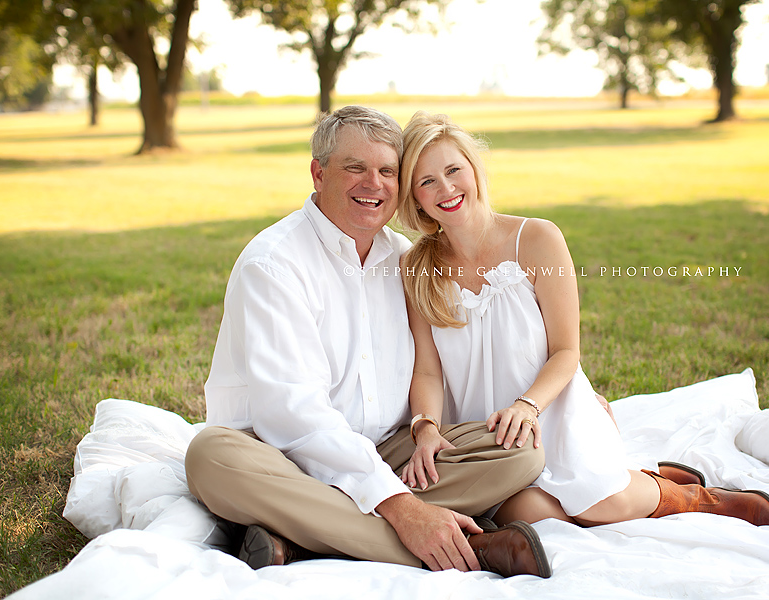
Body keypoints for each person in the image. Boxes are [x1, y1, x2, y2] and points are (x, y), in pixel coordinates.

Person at [184, 105, 552, 578]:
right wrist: (402, 506)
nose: (373, 184)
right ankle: (467, 551)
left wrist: (560, 388)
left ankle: (304, 538)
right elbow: (292, 414)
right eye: (354, 168)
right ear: (318, 173)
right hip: (283, 456)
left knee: (519, 449)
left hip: (388, 451)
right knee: (211, 458)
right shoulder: (274, 265)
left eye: (387, 171)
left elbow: (456, 358)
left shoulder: (404, 260)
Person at [396, 111, 769, 529]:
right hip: (486, 433)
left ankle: (691, 497)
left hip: (548, 405)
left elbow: (567, 351)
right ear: (414, 196)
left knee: (597, 506)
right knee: (533, 515)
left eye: (454, 170)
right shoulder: (416, 266)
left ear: (474, 169)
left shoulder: (536, 238)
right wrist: (426, 429)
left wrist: (528, 407)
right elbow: (428, 369)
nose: (446, 188)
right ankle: (647, 481)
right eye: (427, 181)